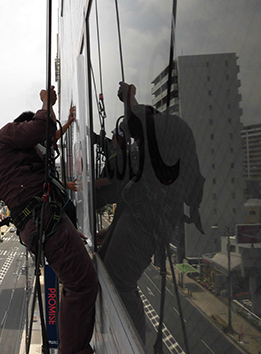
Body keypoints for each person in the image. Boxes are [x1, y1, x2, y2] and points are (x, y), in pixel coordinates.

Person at [0, 86, 97, 354]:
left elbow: (45, 139)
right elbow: (40, 130)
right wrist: (47, 103)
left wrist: (68, 122)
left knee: (75, 283)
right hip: (43, 220)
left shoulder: (16, 159)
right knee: (81, 284)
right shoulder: (5, 135)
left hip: (44, 221)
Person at [97, 82, 205, 343]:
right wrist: (110, 231)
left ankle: (132, 342)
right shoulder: (160, 144)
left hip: (150, 220)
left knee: (118, 281)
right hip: (147, 217)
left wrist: (128, 97)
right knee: (104, 265)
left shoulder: (164, 128)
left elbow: (136, 121)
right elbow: (131, 192)